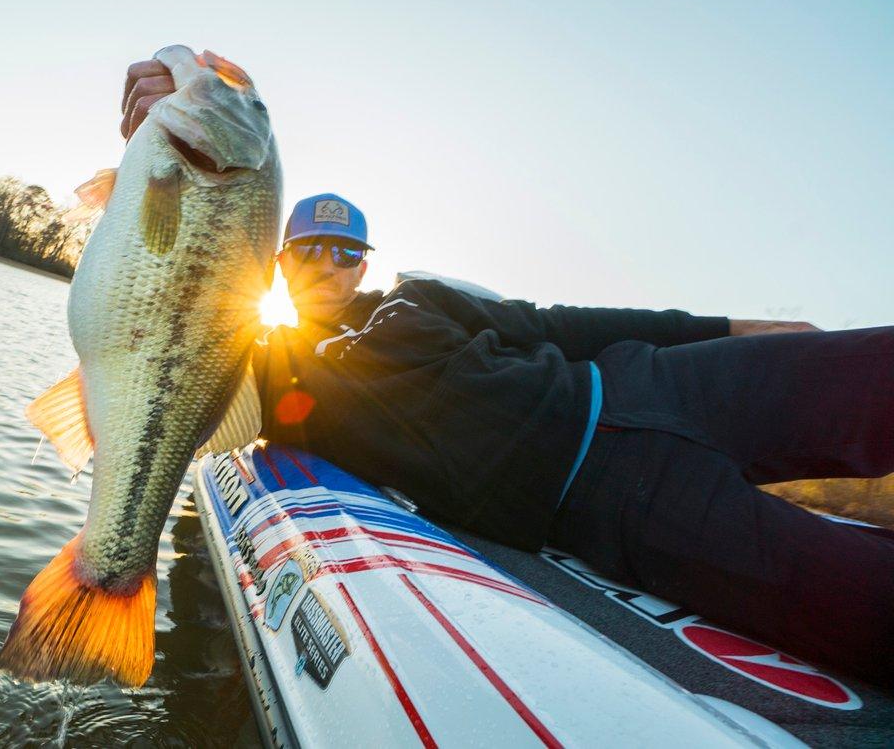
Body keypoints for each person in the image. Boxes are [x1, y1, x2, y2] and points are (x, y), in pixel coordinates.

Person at [120, 57, 894, 684]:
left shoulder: (422, 298)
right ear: (278, 262)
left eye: (347, 251)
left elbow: (562, 323)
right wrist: (155, 144)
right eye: (310, 249)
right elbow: (171, 291)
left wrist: (730, 327)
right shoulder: (267, 366)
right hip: (613, 501)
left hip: (655, 381)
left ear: (363, 265)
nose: (330, 263)